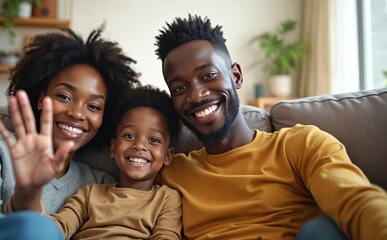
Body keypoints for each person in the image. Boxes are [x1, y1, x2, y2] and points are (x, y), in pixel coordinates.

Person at [154, 14, 387, 240]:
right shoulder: (170, 173)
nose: (196, 95)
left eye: (208, 75)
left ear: (235, 76)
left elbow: (356, 202)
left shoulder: (300, 145)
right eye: (179, 88)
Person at [0, 23, 140, 239]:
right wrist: (25, 199)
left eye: (94, 107)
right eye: (64, 97)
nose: (77, 114)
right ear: (41, 99)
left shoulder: (100, 184)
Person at [3, 85, 183, 239]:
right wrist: (29, 202)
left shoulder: (166, 198)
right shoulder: (89, 193)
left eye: (154, 140)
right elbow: (59, 227)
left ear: (168, 156)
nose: (139, 145)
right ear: (113, 148)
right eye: (129, 136)